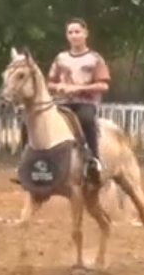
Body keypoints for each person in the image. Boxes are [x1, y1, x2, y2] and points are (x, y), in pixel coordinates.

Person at [17, 18, 110, 186]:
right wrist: (58, 86)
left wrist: (77, 89)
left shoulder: (95, 59)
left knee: (86, 120)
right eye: (70, 32)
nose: (74, 35)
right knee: (29, 121)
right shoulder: (61, 59)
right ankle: (26, 163)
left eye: (77, 32)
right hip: (61, 102)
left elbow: (103, 84)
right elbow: (48, 82)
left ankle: (94, 161)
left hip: (85, 102)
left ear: (85, 34)